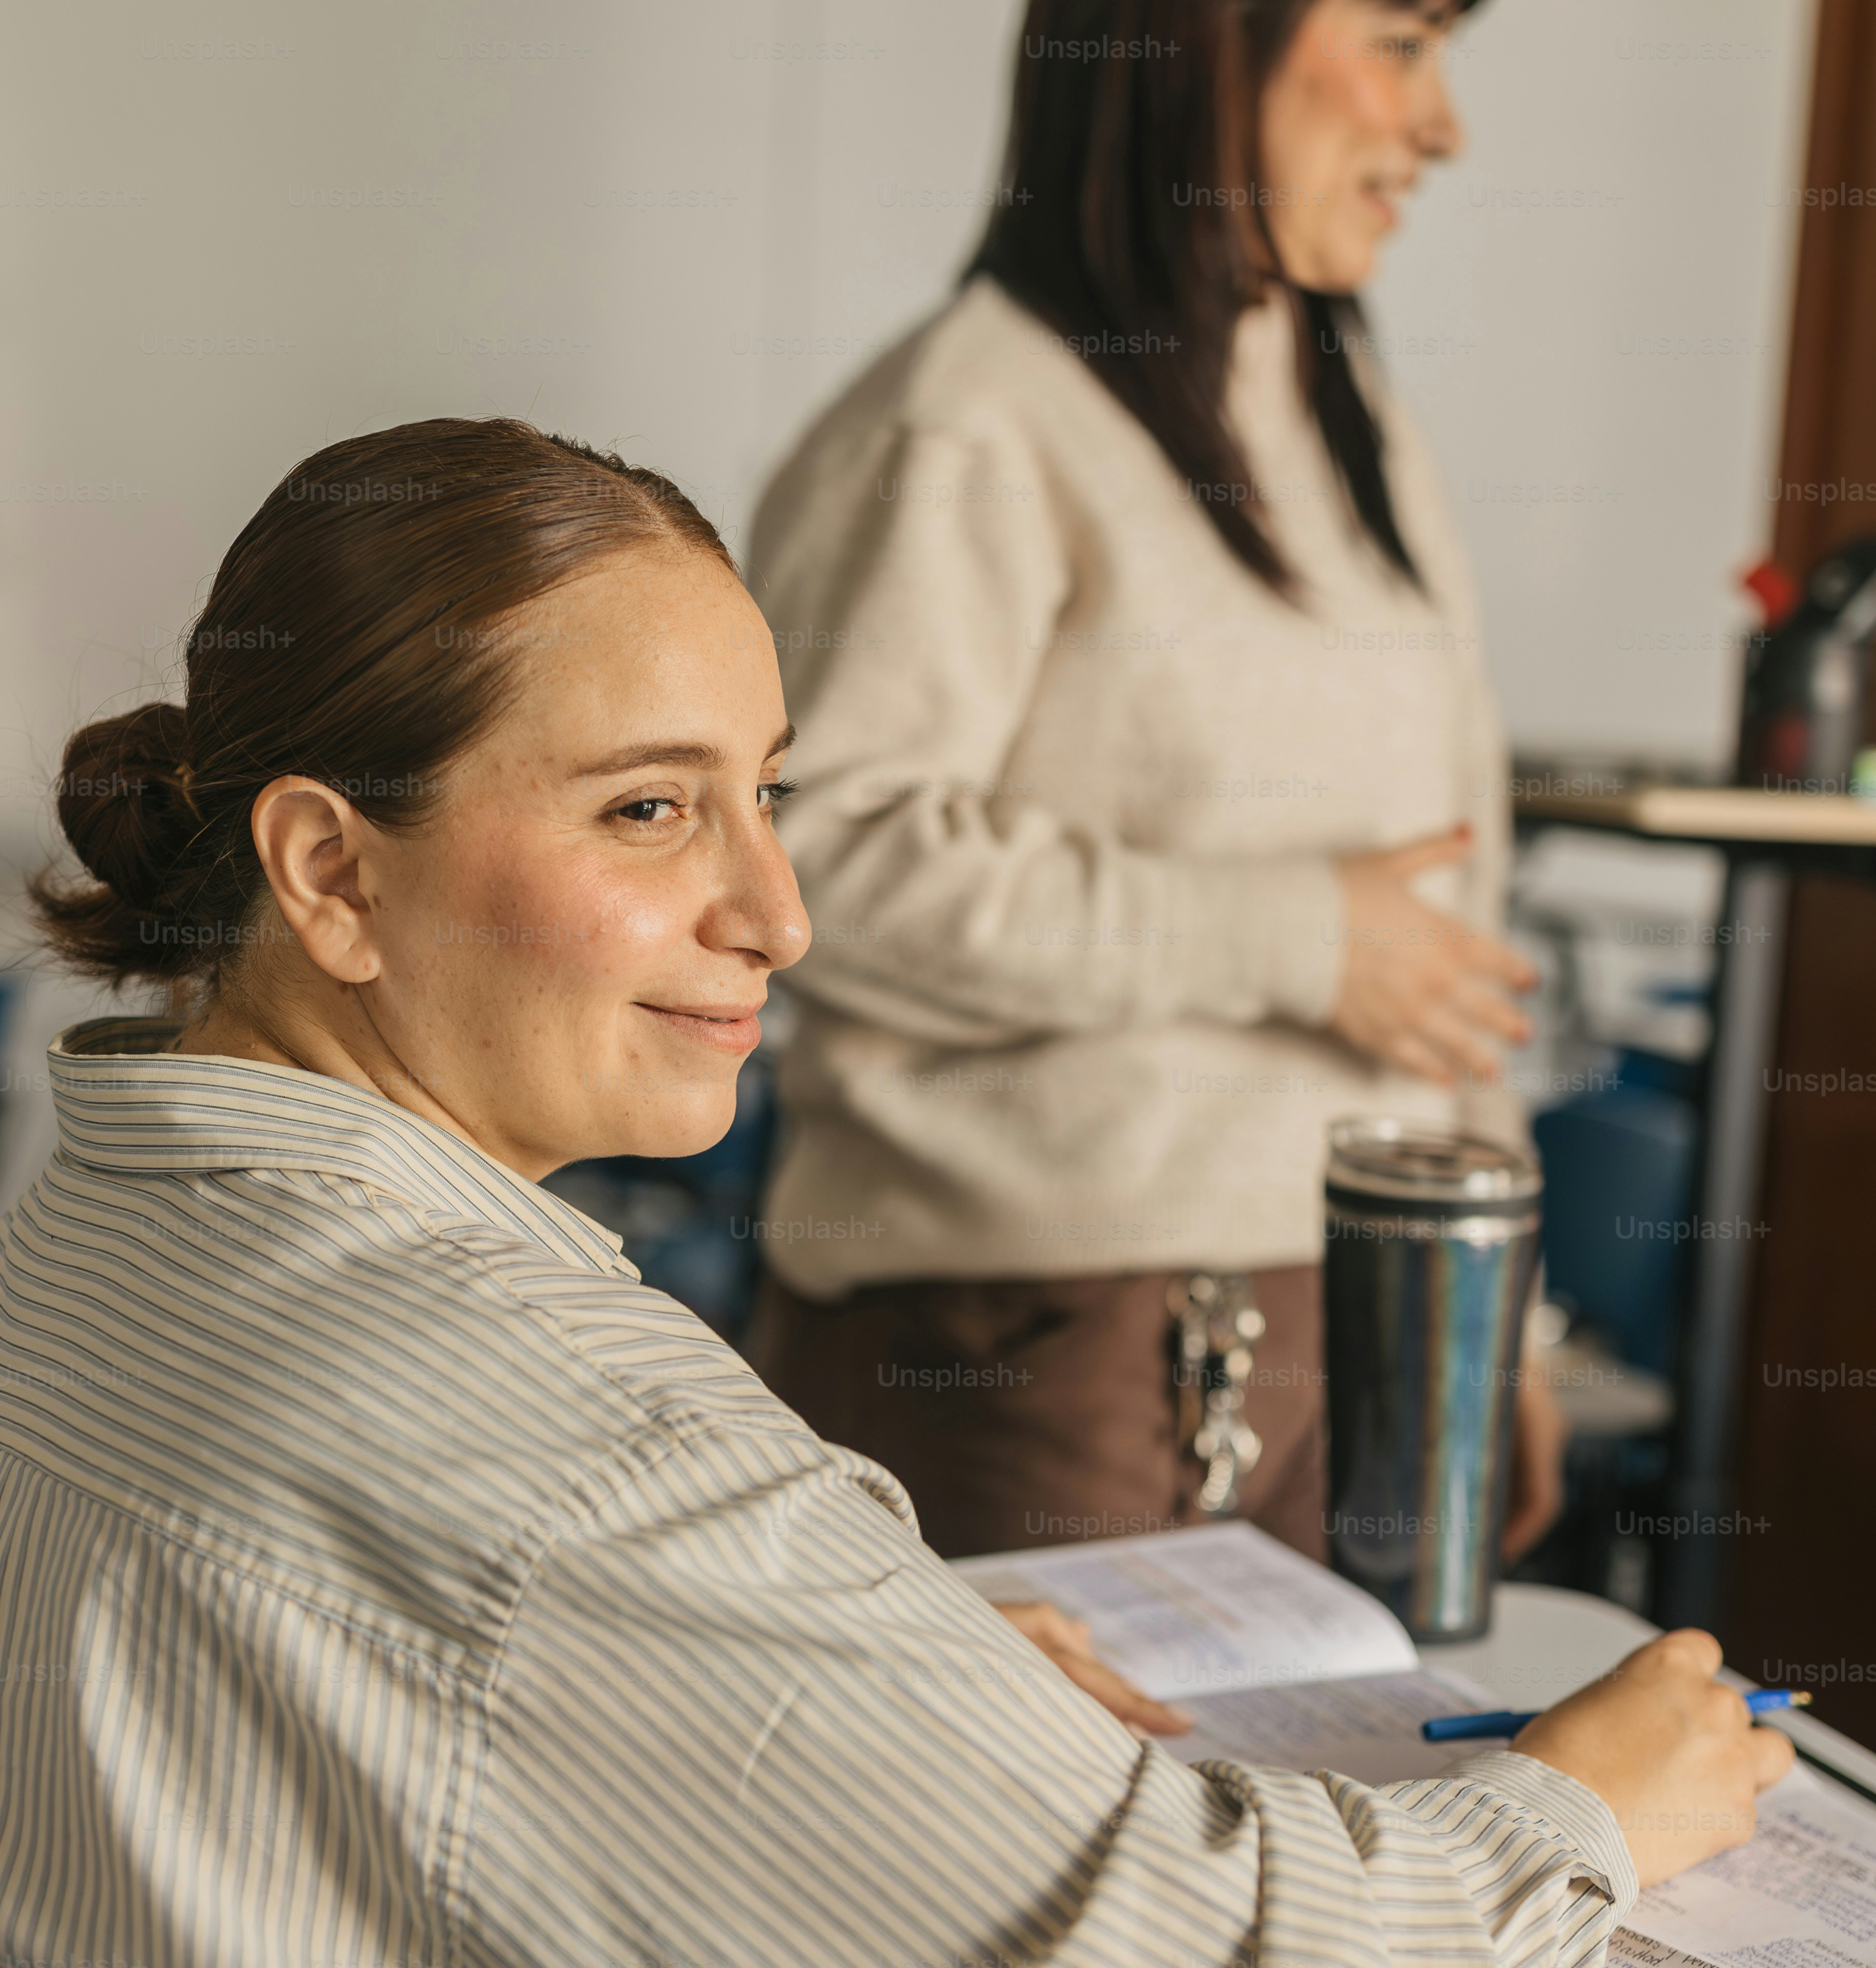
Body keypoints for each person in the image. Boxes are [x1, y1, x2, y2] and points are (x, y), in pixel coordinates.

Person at [0, 418, 1787, 1962]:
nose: (780, 913)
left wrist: (832, 1691)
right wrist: (1576, 1805)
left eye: (769, 794)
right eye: (652, 807)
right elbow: (1213, 1940)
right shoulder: (587, 1452)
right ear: (331, 874)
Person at [745, 0, 1563, 1564]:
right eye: (1400, 44)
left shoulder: (1349, 414)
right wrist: (1297, 942)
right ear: (1199, 44)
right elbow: (810, 863)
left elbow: (1448, 922)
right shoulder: (962, 419)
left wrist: (1500, 1306)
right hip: (1042, 1355)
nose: (1443, 125)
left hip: (1362, 1331)